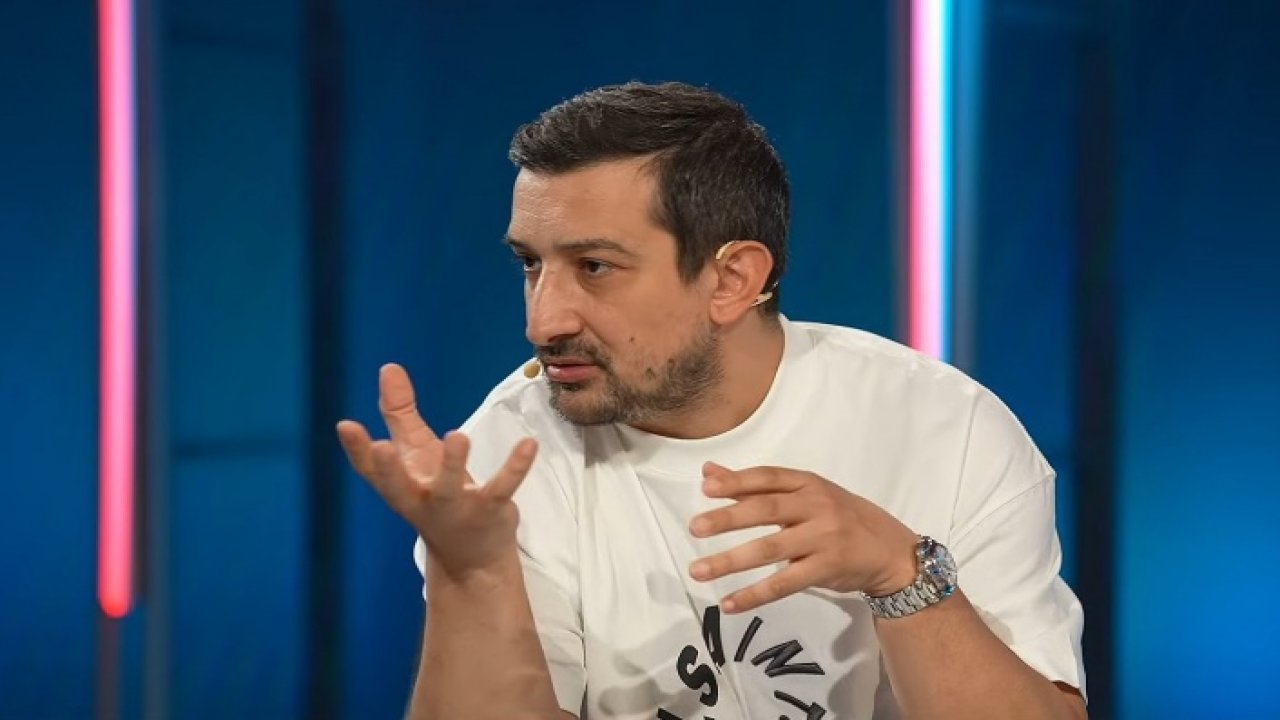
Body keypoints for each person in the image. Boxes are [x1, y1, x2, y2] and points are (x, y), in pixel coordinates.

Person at [336, 81, 1087, 720]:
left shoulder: (947, 428)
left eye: (594, 266)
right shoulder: (511, 454)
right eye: (532, 265)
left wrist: (902, 574)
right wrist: (473, 571)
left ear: (732, 280)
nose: (544, 321)